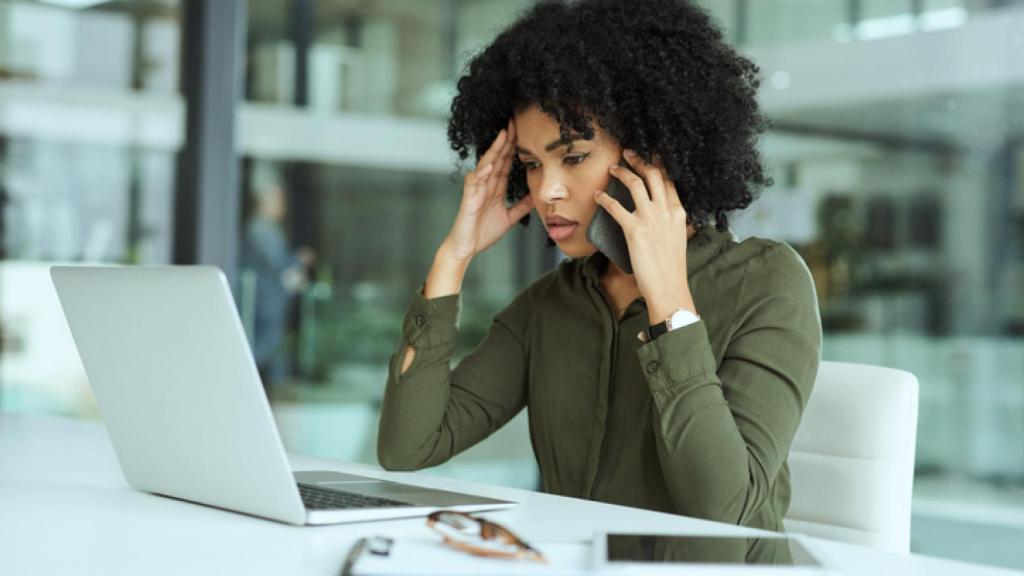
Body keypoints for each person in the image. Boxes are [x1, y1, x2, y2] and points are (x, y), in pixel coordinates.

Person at [377, 0, 821, 562]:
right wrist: (453, 257)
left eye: (574, 157)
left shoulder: (767, 281)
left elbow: (723, 512)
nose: (546, 191)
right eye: (533, 164)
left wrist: (669, 302)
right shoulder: (548, 306)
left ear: (653, 154)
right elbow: (408, 446)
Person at [240, 164, 315, 389]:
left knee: (272, 351)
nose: (283, 205)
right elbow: (278, 264)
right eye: (278, 199)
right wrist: (299, 259)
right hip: (264, 303)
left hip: (269, 303)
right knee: (263, 350)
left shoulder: (267, 229)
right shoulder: (261, 229)